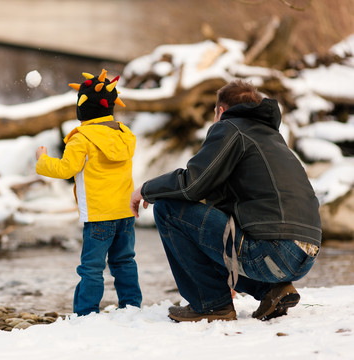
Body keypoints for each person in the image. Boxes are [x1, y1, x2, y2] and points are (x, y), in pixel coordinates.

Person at [130, 79, 321, 322]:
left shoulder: (230, 128)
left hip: (273, 252)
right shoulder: (273, 138)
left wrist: (147, 189)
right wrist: (226, 270)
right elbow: (216, 209)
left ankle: (211, 304)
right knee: (213, 226)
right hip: (304, 255)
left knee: (169, 209)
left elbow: (192, 184)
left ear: (220, 111)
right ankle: (272, 290)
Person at [35, 69, 142, 316]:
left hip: (98, 215)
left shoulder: (81, 139)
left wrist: (42, 160)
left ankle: (86, 314)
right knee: (124, 262)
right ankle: (132, 307)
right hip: (125, 212)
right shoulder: (125, 135)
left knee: (92, 268)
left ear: (83, 107)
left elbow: (65, 169)